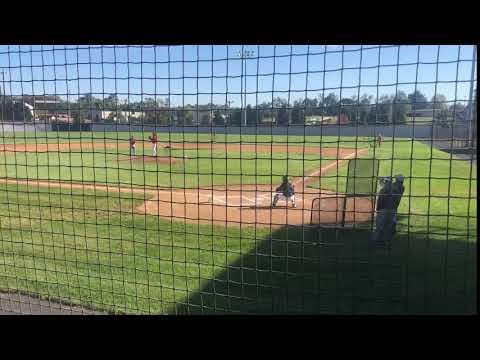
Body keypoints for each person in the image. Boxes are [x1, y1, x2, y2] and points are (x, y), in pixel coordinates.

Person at [372, 176, 394, 248]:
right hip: (389, 210)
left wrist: (377, 209)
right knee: (386, 227)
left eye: (386, 181)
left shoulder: (385, 189)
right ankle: (384, 242)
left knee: (379, 226)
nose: (385, 182)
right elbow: (382, 184)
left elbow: (380, 199)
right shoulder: (392, 188)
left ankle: (375, 242)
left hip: (382, 210)